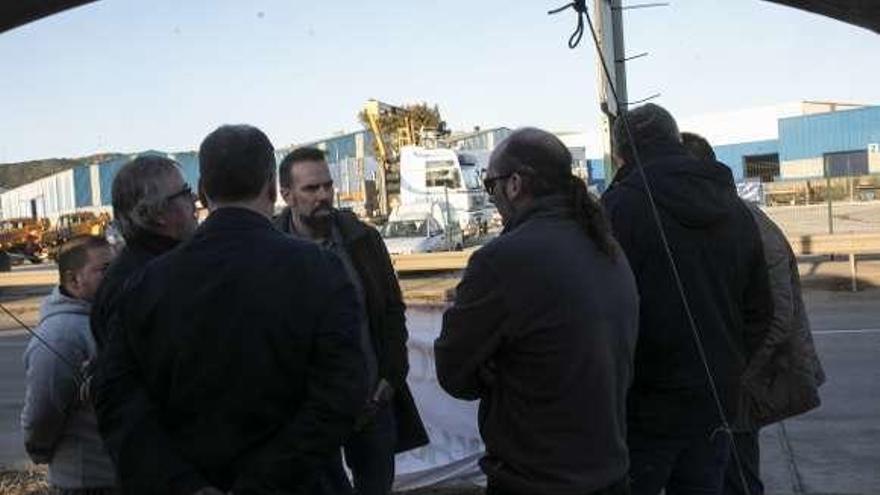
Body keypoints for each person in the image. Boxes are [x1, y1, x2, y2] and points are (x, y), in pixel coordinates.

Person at [92, 125, 368, 495]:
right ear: (272, 188)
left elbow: (117, 403)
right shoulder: (319, 270)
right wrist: (262, 482)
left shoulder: (146, 284)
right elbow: (342, 392)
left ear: (203, 191)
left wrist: (183, 484)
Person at [435, 128, 639, 495]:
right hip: (608, 469)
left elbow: (453, 372)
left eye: (490, 185)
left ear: (514, 184)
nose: (492, 197)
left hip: (537, 479)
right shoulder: (605, 245)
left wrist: (495, 369)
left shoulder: (502, 260)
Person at [602, 104, 774, 495]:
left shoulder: (619, 208)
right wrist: (728, 364)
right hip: (715, 397)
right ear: (676, 141)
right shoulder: (736, 209)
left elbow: (601, 310)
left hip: (643, 406)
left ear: (619, 155)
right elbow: (761, 310)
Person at [274, 147, 428, 495]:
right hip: (306, 414)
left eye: (327, 186)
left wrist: (390, 376)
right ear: (287, 195)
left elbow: (391, 309)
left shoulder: (363, 240)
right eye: (311, 189)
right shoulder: (270, 249)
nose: (324, 195)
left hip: (371, 404)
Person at [681, 132, 826, 495]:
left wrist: (736, 377)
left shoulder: (745, 224)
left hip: (739, 384)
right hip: (730, 380)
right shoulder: (721, 220)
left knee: (738, 478)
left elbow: (777, 317)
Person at [22, 235, 116, 494]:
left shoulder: (105, 317)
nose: (115, 276)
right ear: (74, 280)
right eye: (105, 270)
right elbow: (42, 413)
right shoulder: (61, 335)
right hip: (86, 481)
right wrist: (40, 449)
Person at [90, 155, 198, 349]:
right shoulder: (151, 281)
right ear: (157, 214)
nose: (195, 198)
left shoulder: (133, 269)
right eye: (185, 192)